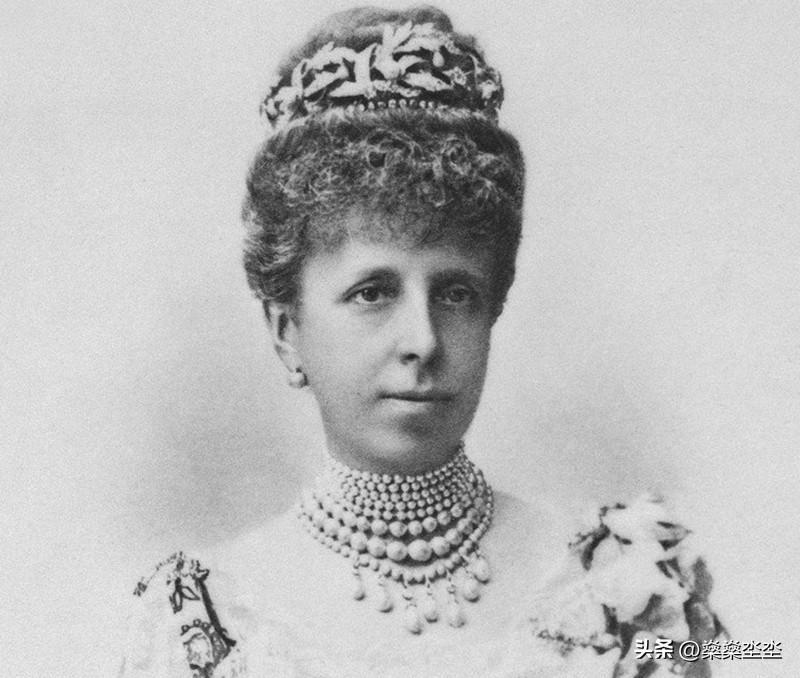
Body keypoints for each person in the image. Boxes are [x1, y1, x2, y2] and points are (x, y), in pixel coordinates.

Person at [119, 6, 725, 677]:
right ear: (287, 332)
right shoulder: (202, 618)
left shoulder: (628, 586)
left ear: (492, 310)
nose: (424, 340)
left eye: (456, 293)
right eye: (372, 293)